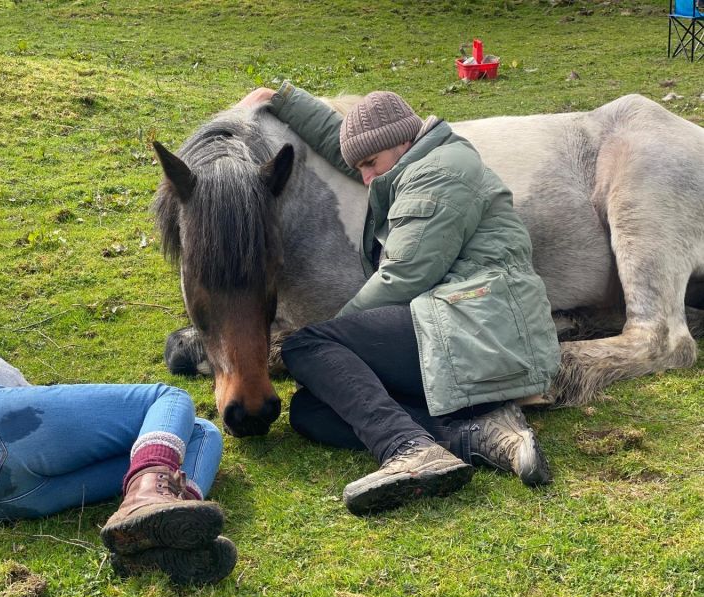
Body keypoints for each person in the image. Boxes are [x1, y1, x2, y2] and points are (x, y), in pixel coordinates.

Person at [0, 199, 236, 585]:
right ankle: (151, 502)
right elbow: (4, 384)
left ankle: (164, 533)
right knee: (167, 401)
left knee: (198, 433)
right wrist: (60, 419)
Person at [240, 83, 561, 515]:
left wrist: (330, 337)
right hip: (461, 328)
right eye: (361, 167)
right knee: (309, 411)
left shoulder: (441, 173)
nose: (365, 178)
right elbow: (354, 150)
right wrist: (282, 98)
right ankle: (481, 435)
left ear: (404, 142)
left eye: (370, 165)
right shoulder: (412, 161)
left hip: (483, 330)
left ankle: (408, 448)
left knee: (306, 346)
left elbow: (403, 277)